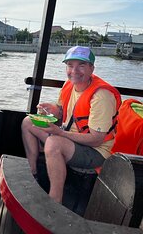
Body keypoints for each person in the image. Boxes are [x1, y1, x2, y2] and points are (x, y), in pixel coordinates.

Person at [21, 46, 121, 203]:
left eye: (81, 65)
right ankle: (32, 174)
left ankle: (55, 200)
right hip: (71, 140)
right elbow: (62, 115)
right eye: (70, 65)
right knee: (28, 122)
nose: (74, 71)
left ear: (91, 68)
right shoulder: (69, 85)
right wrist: (52, 110)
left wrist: (59, 133)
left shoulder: (101, 96)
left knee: (54, 143)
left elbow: (97, 139)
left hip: (96, 152)